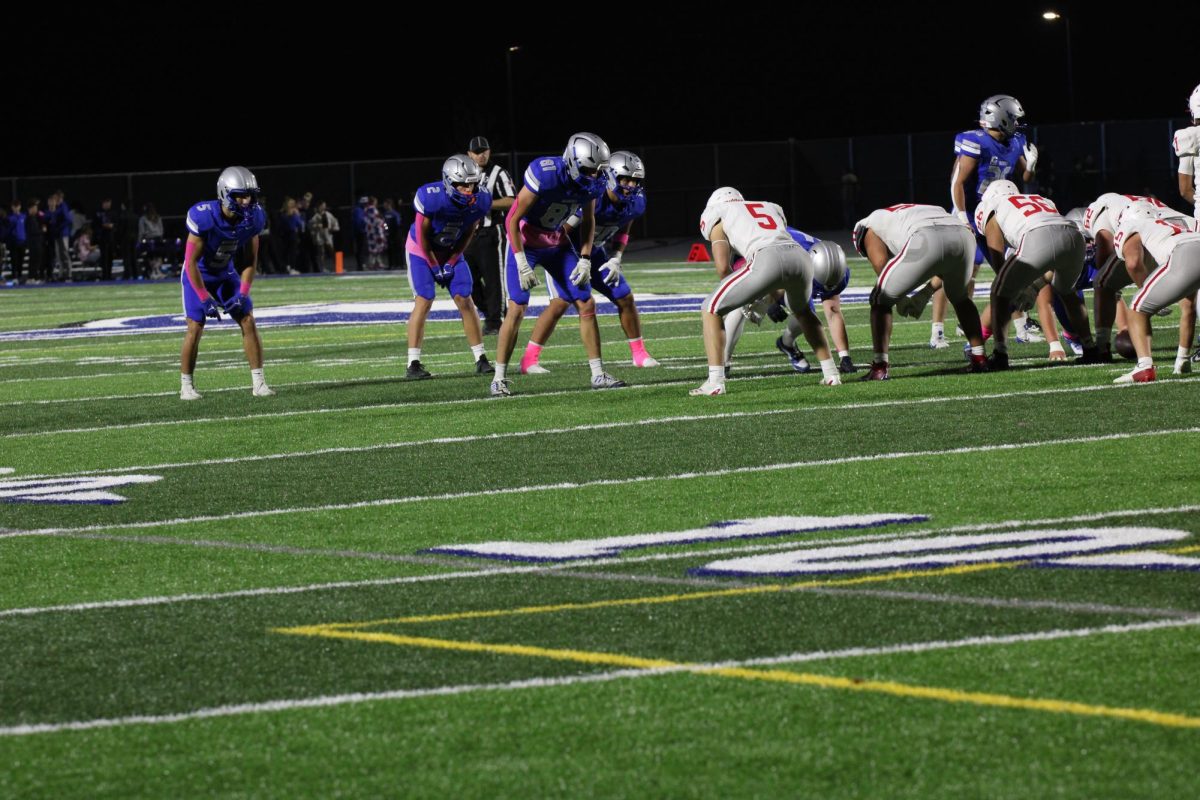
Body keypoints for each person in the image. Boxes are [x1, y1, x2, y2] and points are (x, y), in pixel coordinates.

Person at [491, 132, 626, 397]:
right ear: (573, 162)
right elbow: (512, 219)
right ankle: (498, 378)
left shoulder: (594, 182)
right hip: (526, 242)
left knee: (586, 302)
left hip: (557, 243)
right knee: (517, 307)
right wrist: (520, 261)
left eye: (599, 170)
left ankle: (598, 374)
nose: (596, 176)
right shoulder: (545, 172)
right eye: (590, 169)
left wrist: (586, 258)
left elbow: (588, 221)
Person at [518, 150, 660, 373]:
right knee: (560, 303)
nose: (631, 185)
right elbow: (562, 230)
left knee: (625, 297)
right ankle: (529, 359)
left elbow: (626, 225)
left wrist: (617, 256)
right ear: (611, 176)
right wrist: (572, 261)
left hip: (595, 253)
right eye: (626, 179)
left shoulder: (636, 202)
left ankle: (639, 354)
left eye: (635, 180)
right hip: (564, 250)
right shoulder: (593, 196)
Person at [692, 186, 840, 396]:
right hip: (800, 258)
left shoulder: (719, 214)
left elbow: (723, 268)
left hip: (766, 258)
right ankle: (831, 373)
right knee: (803, 312)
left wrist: (743, 297)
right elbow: (780, 247)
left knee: (710, 308)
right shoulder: (770, 207)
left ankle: (715, 381)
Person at [925, 95, 1039, 349]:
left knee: (1009, 269)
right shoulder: (975, 141)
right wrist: (961, 215)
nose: (1018, 124)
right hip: (971, 212)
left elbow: (1026, 175)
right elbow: (957, 182)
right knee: (953, 272)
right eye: (1014, 119)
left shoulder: (1015, 141)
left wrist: (1032, 164)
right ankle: (938, 331)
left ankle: (1021, 327)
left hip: (996, 214)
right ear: (1001, 118)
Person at [973, 180, 1099, 369]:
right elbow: (1054, 246)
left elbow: (996, 250)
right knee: (1067, 291)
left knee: (998, 291)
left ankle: (1000, 353)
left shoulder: (991, 206)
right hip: (1073, 234)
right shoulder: (1041, 199)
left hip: (1037, 235)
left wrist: (1010, 285)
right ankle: (1090, 347)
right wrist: (1034, 286)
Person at [853, 203, 987, 379]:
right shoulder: (909, 213)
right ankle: (979, 358)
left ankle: (879, 367)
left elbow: (880, 263)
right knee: (960, 297)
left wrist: (899, 299)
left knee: (879, 298)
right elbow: (943, 262)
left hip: (926, 235)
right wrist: (924, 294)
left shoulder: (868, 225)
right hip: (963, 235)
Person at [179, 166, 273, 400]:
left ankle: (259, 384)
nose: (246, 201)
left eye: (249, 195)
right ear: (225, 194)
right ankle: (186, 386)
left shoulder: (254, 219)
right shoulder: (204, 216)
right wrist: (204, 297)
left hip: (224, 273)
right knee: (195, 326)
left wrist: (243, 292)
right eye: (240, 195)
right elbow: (190, 262)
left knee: (248, 318)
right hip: (198, 274)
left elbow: (251, 261)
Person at [403, 154, 495, 379]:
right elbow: (422, 236)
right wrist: (434, 265)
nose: (468, 189)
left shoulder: (481, 200)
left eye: (472, 184)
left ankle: (481, 358)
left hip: (451, 250)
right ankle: (413, 364)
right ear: (448, 181)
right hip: (421, 251)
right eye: (462, 184)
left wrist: (452, 260)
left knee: (465, 298)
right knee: (424, 299)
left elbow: (469, 232)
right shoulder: (430, 197)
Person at [1111, 203, 1200, 383]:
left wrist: (1148, 294)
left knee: (1137, 308)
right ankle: (1183, 360)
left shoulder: (1131, 225)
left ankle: (1144, 367)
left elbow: (1133, 263)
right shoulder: (1182, 221)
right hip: (1193, 243)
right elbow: (1188, 307)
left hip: (1184, 253)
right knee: (1189, 304)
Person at [465, 136, 516, 335]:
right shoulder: (463, 171)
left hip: (490, 232)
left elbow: (512, 200)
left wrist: (486, 203)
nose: (481, 155)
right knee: (468, 280)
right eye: (477, 152)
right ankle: (488, 311)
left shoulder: (499, 173)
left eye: (484, 150)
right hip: (468, 234)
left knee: (494, 278)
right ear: (469, 154)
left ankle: (495, 320)